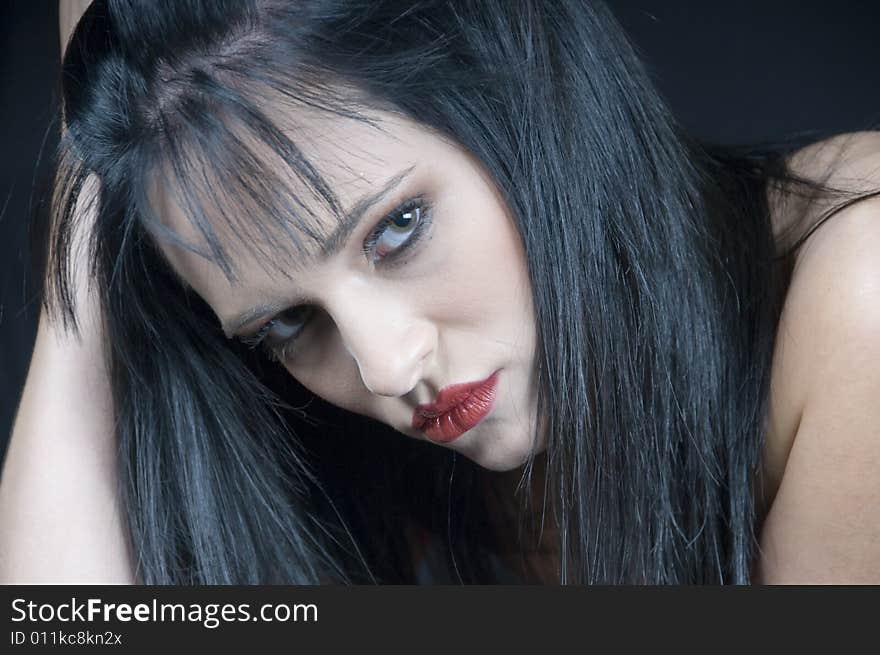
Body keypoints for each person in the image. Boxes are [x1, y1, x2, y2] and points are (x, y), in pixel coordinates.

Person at [1, 0, 879, 585]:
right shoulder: (342, 449)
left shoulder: (858, 292)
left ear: (519, 90)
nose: (385, 367)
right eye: (289, 323)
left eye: (396, 228)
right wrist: (87, 251)